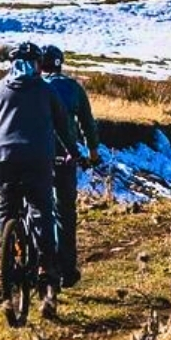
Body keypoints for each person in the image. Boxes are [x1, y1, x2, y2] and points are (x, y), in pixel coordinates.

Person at [0, 41, 74, 319]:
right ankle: (47, 270)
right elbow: (63, 126)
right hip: (37, 158)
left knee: (6, 208)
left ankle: (7, 259)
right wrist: (70, 152)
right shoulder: (46, 90)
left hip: (1, 159)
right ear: (36, 64)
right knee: (41, 210)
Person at [38, 44, 100, 288]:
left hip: (38, 155)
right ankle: (66, 269)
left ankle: (42, 262)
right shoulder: (74, 88)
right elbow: (87, 124)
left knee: (39, 210)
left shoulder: (35, 88)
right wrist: (92, 154)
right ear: (59, 64)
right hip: (66, 157)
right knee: (65, 212)